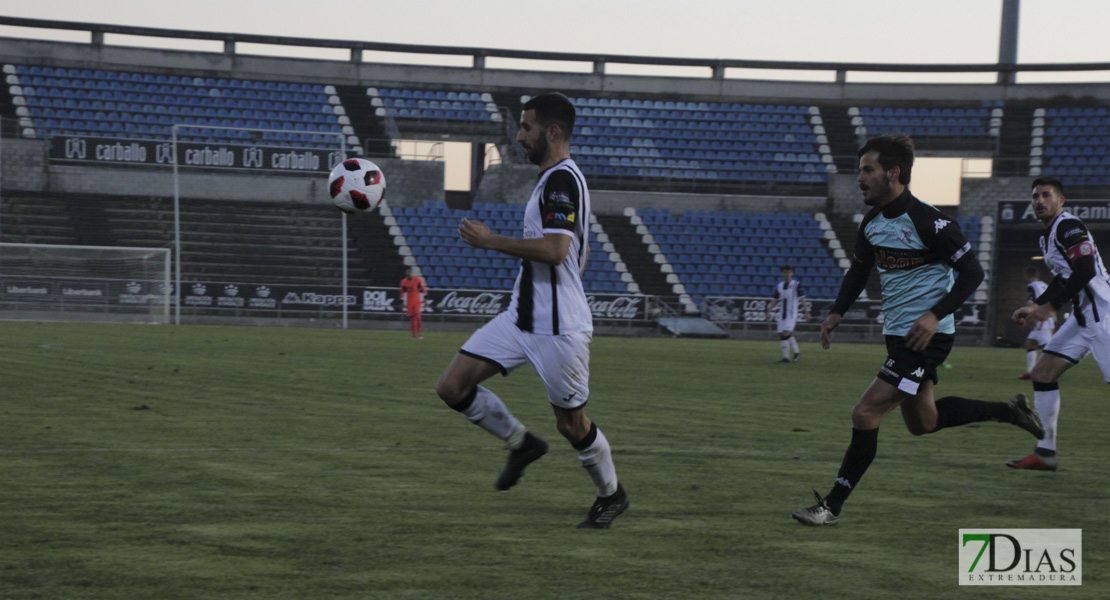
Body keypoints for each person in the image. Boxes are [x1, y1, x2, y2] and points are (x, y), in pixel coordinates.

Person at [791, 134, 1044, 527]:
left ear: (893, 173)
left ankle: (831, 506)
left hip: (927, 337)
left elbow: (973, 273)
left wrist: (933, 315)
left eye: (867, 169)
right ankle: (1009, 411)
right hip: (898, 335)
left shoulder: (932, 222)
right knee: (922, 423)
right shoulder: (873, 222)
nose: (859, 177)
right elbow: (859, 270)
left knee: (865, 412)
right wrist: (836, 312)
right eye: (860, 169)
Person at [434, 92, 627, 529]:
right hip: (521, 317)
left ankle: (611, 495)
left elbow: (558, 251)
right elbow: (580, 250)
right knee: (452, 386)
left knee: (572, 426)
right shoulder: (554, 179)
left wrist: (490, 240)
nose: (520, 136)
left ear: (552, 132)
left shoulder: (561, 179)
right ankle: (521, 443)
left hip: (558, 328)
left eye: (526, 127)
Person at [1008, 177, 1110, 471]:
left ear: (1060, 201)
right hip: (1082, 319)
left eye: (1046, 195)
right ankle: (1045, 453)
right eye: (1035, 196)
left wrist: (1051, 305)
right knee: (1042, 373)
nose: (1039, 201)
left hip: (1103, 317)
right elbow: (1065, 277)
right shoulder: (1047, 236)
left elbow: (1085, 269)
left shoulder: (1068, 226)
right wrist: (1036, 305)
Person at [766, 264, 810, 362]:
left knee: (786, 334)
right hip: (782, 315)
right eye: (785, 272)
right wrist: (768, 311)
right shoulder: (780, 286)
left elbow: (802, 299)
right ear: (782, 273)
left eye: (789, 272)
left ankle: (787, 357)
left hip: (791, 314)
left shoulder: (796, 285)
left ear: (792, 273)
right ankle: (794, 353)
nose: (787, 274)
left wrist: (806, 312)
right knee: (783, 334)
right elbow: (775, 300)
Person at [1018, 265, 1054, 379]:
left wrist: (1026, 316)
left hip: (1040, 318)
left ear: (1026, 275)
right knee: (1030, 342)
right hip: (1047, 317)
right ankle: (1030, 372)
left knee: (1048, 348)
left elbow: (1031, 303)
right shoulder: (1044, 285)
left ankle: (1049, 372)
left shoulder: (1031, 286)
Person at [400, 268, 428, 339]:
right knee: (412, 319)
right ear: (406, 274)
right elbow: (402, 292)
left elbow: (423, 288)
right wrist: (402, 302)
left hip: (417, 301)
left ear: (412, 273)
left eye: (410, 272)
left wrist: (425, 299)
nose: (409, 274)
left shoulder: (417, 279)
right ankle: (414, 335)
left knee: (418, 317)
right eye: (407, 273)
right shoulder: (403, 281)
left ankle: (419, 334)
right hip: (409, 302)